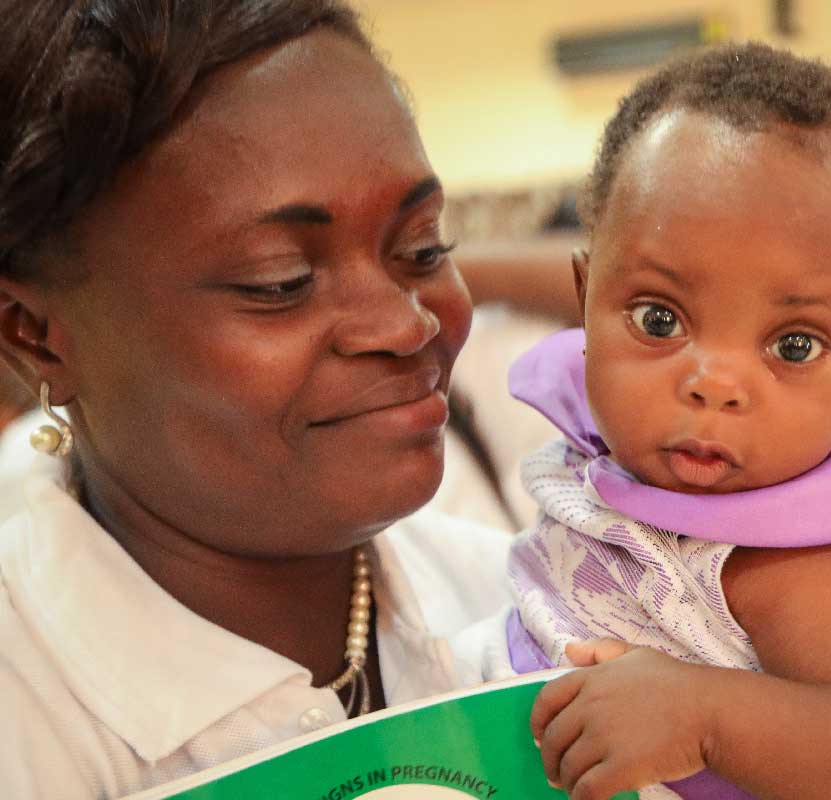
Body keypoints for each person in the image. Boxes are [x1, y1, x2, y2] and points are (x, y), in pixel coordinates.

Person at [0, 3, 522, 797]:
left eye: (422, 248)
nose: (405, 323)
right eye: (279, 282)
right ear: (35, 335)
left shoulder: (526, 609)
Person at [492, 44, 831, 799]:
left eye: (794, 345)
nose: (713, 385)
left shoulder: (786, 558)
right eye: (659, 319)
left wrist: (702, 715)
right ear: (586, 293)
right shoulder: (595, 457)